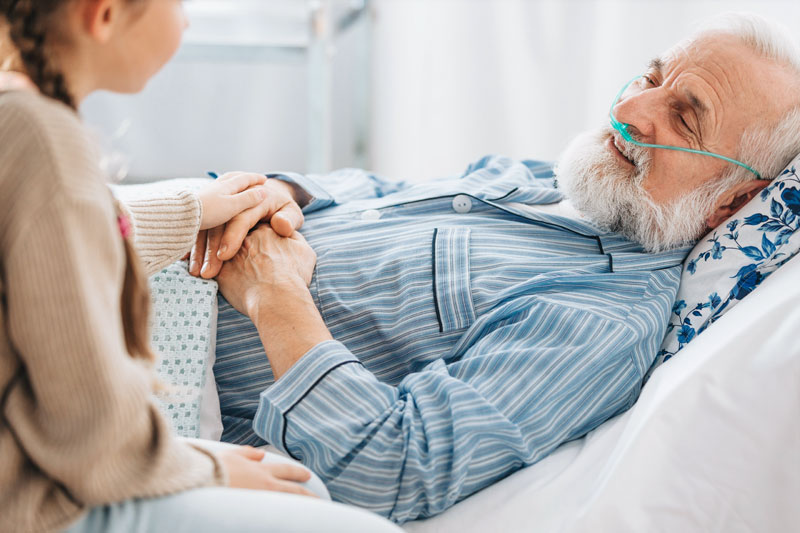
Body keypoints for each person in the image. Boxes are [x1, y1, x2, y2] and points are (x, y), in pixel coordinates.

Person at [179, 12, 800, 525]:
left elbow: (393, 465)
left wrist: (276, 293)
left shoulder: (605, 318)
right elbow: (378, 190)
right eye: (651, 76)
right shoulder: (547, 183)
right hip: (165, 260)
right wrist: (288, 191)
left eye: (685, 118)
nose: (636, 108)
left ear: (735, 202)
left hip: (167, 375)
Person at [0, 1, 402, 532]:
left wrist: (193, 207)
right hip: (30, 498)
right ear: (102, 16)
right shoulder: (42, 138)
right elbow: (92, 438)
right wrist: (206, 466)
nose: (187, 21)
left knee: (298, 486)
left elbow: (62, 225)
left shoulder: (18, 120)